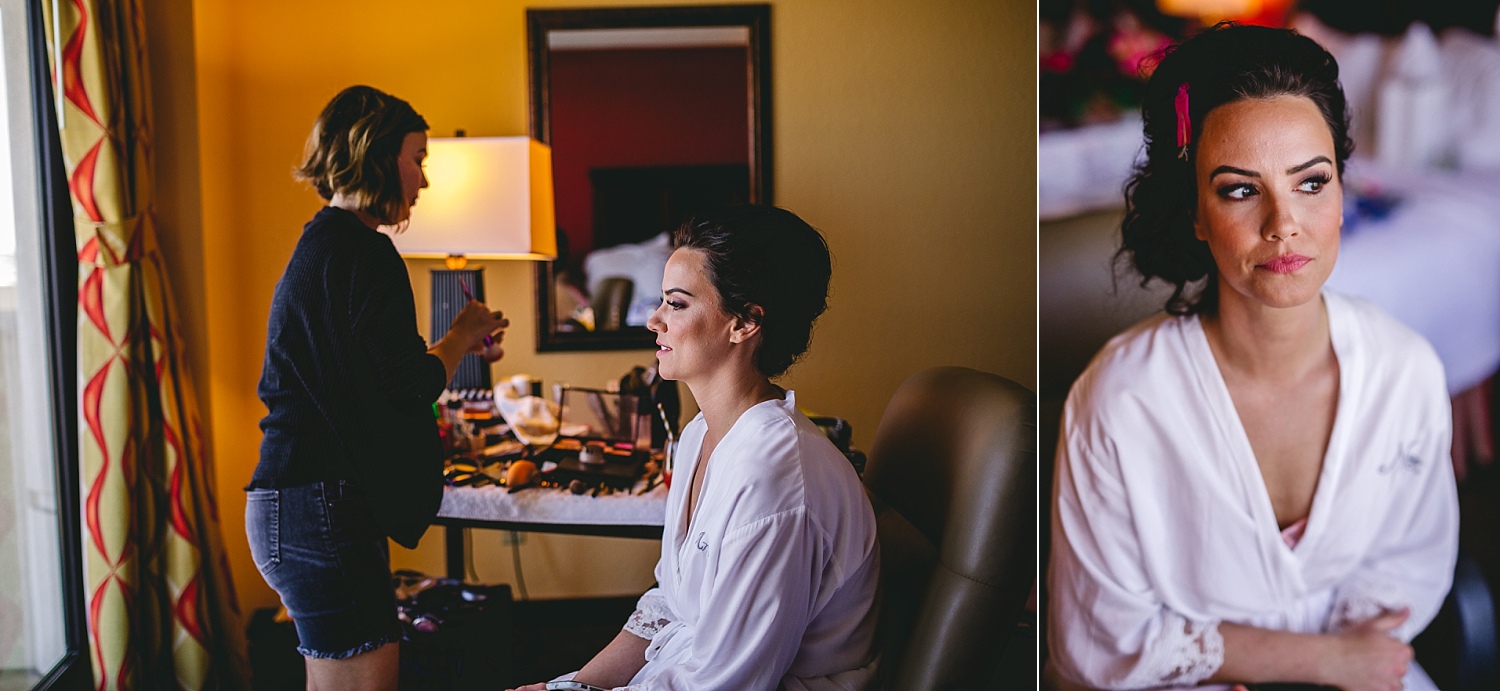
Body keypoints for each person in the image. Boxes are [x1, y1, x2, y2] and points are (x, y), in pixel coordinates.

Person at [1047, 24, 1459, 691]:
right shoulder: (1119, 403)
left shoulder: (1405, 371)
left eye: (1311, 182)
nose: (1282, 222)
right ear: (1196, 213)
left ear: (1342, 188)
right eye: (1241, 189)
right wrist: (1315, 660)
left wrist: (1335, 666)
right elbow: (1099, 644)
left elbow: (1410, 570)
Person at [509, 206, 880, 691]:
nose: (653, 320)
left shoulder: (774, 477)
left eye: (677, 304)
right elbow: (670, 602)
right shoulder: (699, 434)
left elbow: (722, 683)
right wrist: (578, 685)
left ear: (744, 322)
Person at [246, 85, 508, 691]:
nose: (423, 180)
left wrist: (460, 344)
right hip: (317, 512)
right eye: (417, 158)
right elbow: (411, 386)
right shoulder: (366, 253)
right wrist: (462, 333)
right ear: (377, 155)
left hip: (292, 507)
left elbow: (366, 383)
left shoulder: (324, 244)